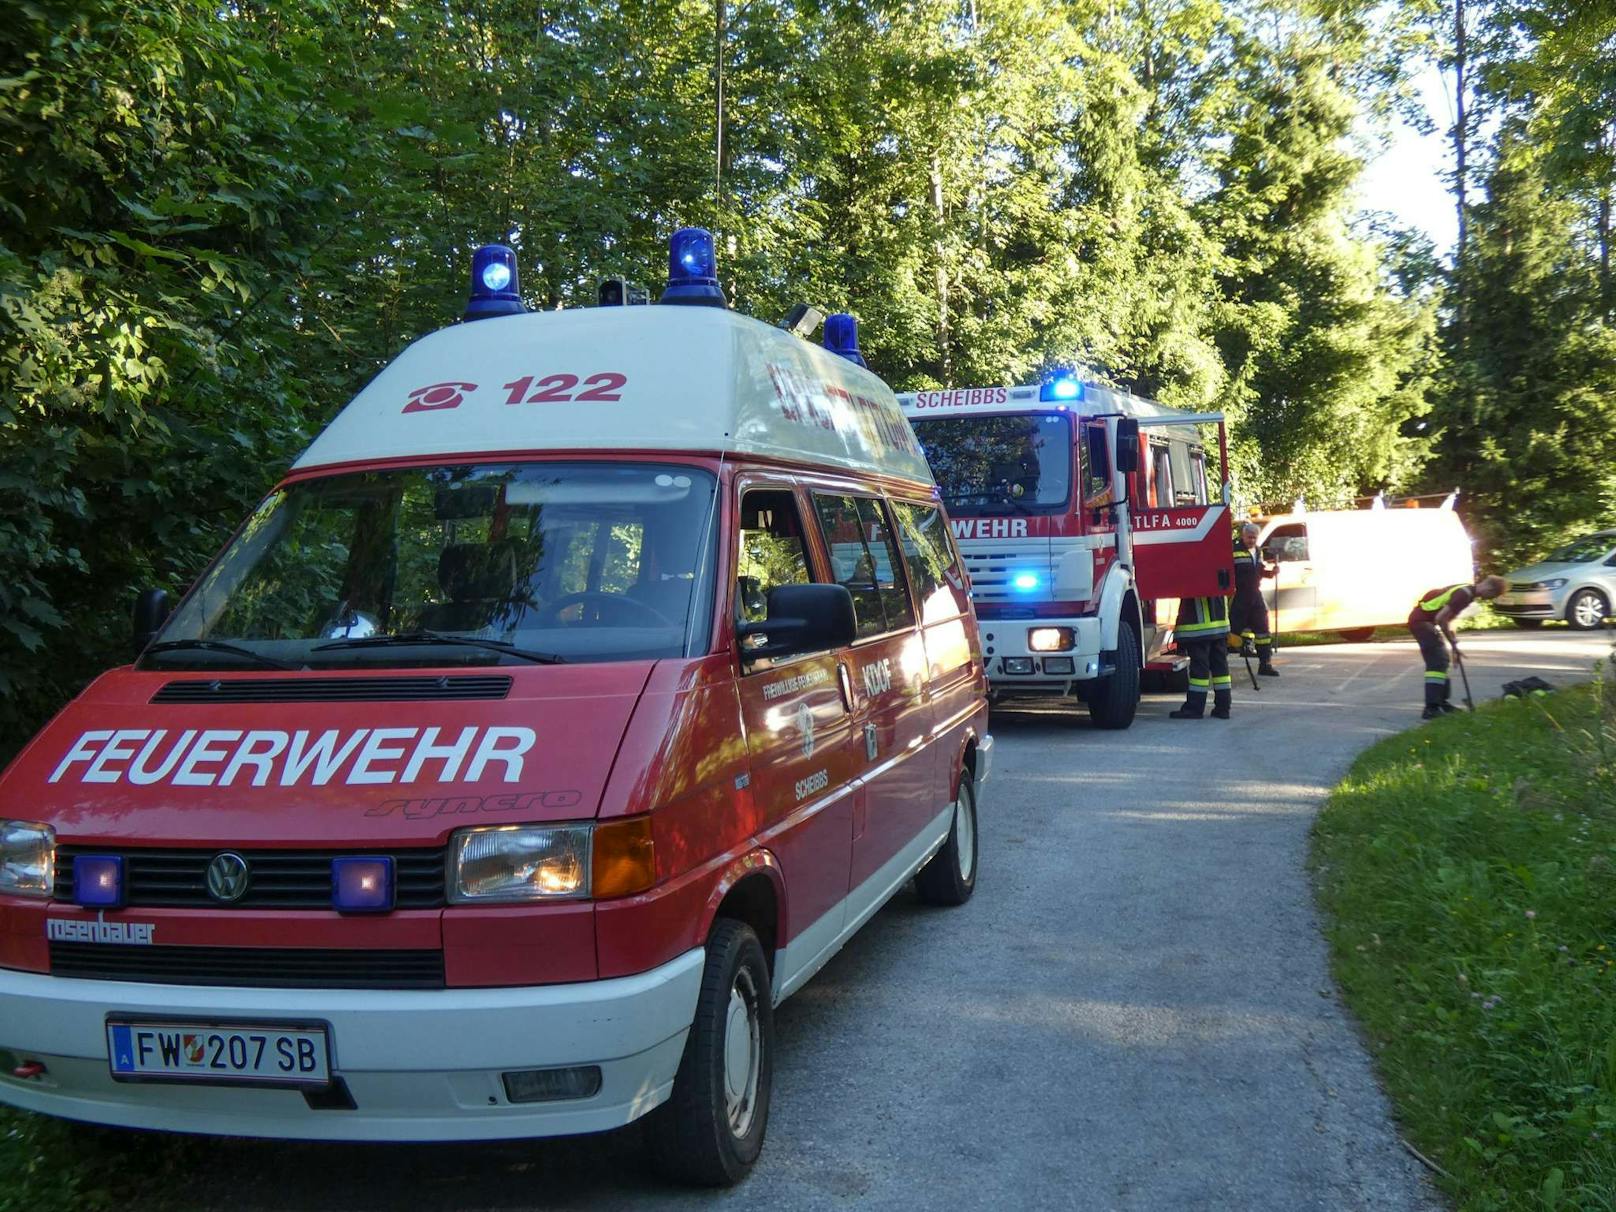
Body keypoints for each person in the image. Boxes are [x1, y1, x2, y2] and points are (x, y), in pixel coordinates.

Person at [1408, 575, 1507, 718]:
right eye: (1491, 596)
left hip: (1422, 621)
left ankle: (1442, 703)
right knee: (1438, 663)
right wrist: (1451, 641)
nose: (1487, 599)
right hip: (1422, 622)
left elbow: (1449, 618)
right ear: (1489, 588)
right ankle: (1431, 708)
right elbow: (1440, 618)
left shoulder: (1466, 590)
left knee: (1442, 662)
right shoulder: (1464, 595)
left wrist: (1454, 645)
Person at [1171, 593, 1233, 720]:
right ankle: (1223, 707)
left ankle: (1194, 708)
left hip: (1199, 627)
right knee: (1220, 668)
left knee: (1200, 670)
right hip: (1219, 624)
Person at [1230, 522, 1279, 677]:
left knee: (1263, 631)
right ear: (1243, 536)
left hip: (1255, 595)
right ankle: (1217, 665)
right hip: (1239, 596)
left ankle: (1265, 664)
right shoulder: (1234, 551)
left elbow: (1258, 570)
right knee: (1232, 632)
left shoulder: (1258, 551)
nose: (1251, 540)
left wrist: (1271, 573)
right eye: (1249, 537)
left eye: (1254, 538)